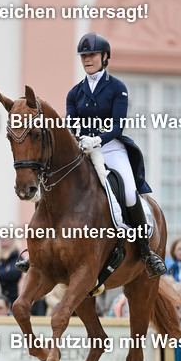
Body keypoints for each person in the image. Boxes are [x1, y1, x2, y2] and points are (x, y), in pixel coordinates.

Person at [14, 33, 167, 277]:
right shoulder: (75, 93)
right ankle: (35, 251)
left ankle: (146, 250)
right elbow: (71, 124)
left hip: (111, 147)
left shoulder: (117, 88)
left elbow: (118, 126)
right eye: (84, 56)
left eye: (92, 55)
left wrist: (99, 139)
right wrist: (75, 139)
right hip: (82, 148)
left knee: (128, 191)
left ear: (104, 58)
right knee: (51, 186)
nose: (87, 60)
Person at [0, 237, 22, 305]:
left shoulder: (17, 257)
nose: (3, 238)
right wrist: (5, 271)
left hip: (11, 298)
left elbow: (13, 274)